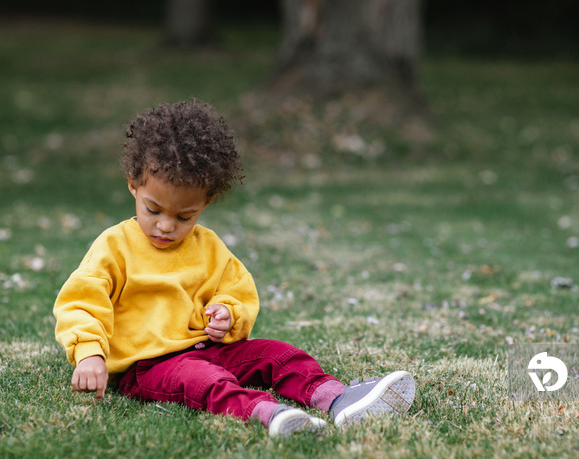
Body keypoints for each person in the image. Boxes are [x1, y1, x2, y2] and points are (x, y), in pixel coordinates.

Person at [53, 100, 415, 436]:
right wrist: (90, 355)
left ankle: (337, 399)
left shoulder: (208, 246)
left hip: (206, 347)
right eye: (153, 210)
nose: (166, 225)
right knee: (204, 380)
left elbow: (236, 289)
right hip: (147, 365)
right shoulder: (115, 246)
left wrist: (227, 312)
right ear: (133, 185)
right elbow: (83, 302)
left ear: (206, 202)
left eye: (184, 216)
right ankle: (267, 413)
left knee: (277, 353)